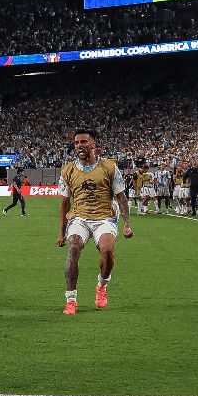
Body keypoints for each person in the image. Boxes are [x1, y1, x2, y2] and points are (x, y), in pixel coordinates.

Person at [56, 129, 132, 315]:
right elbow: (65, 203)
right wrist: (61, 233)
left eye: (83, 142)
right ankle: (71, 299)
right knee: (74, 249)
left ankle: (102, 285)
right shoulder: (67, 170)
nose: (79, 146)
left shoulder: (109, 167)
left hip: (104, 217)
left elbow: (121, 197)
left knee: (107, 253)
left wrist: (127, 224)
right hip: (79, 218)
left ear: (93, 145)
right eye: (76, 143)